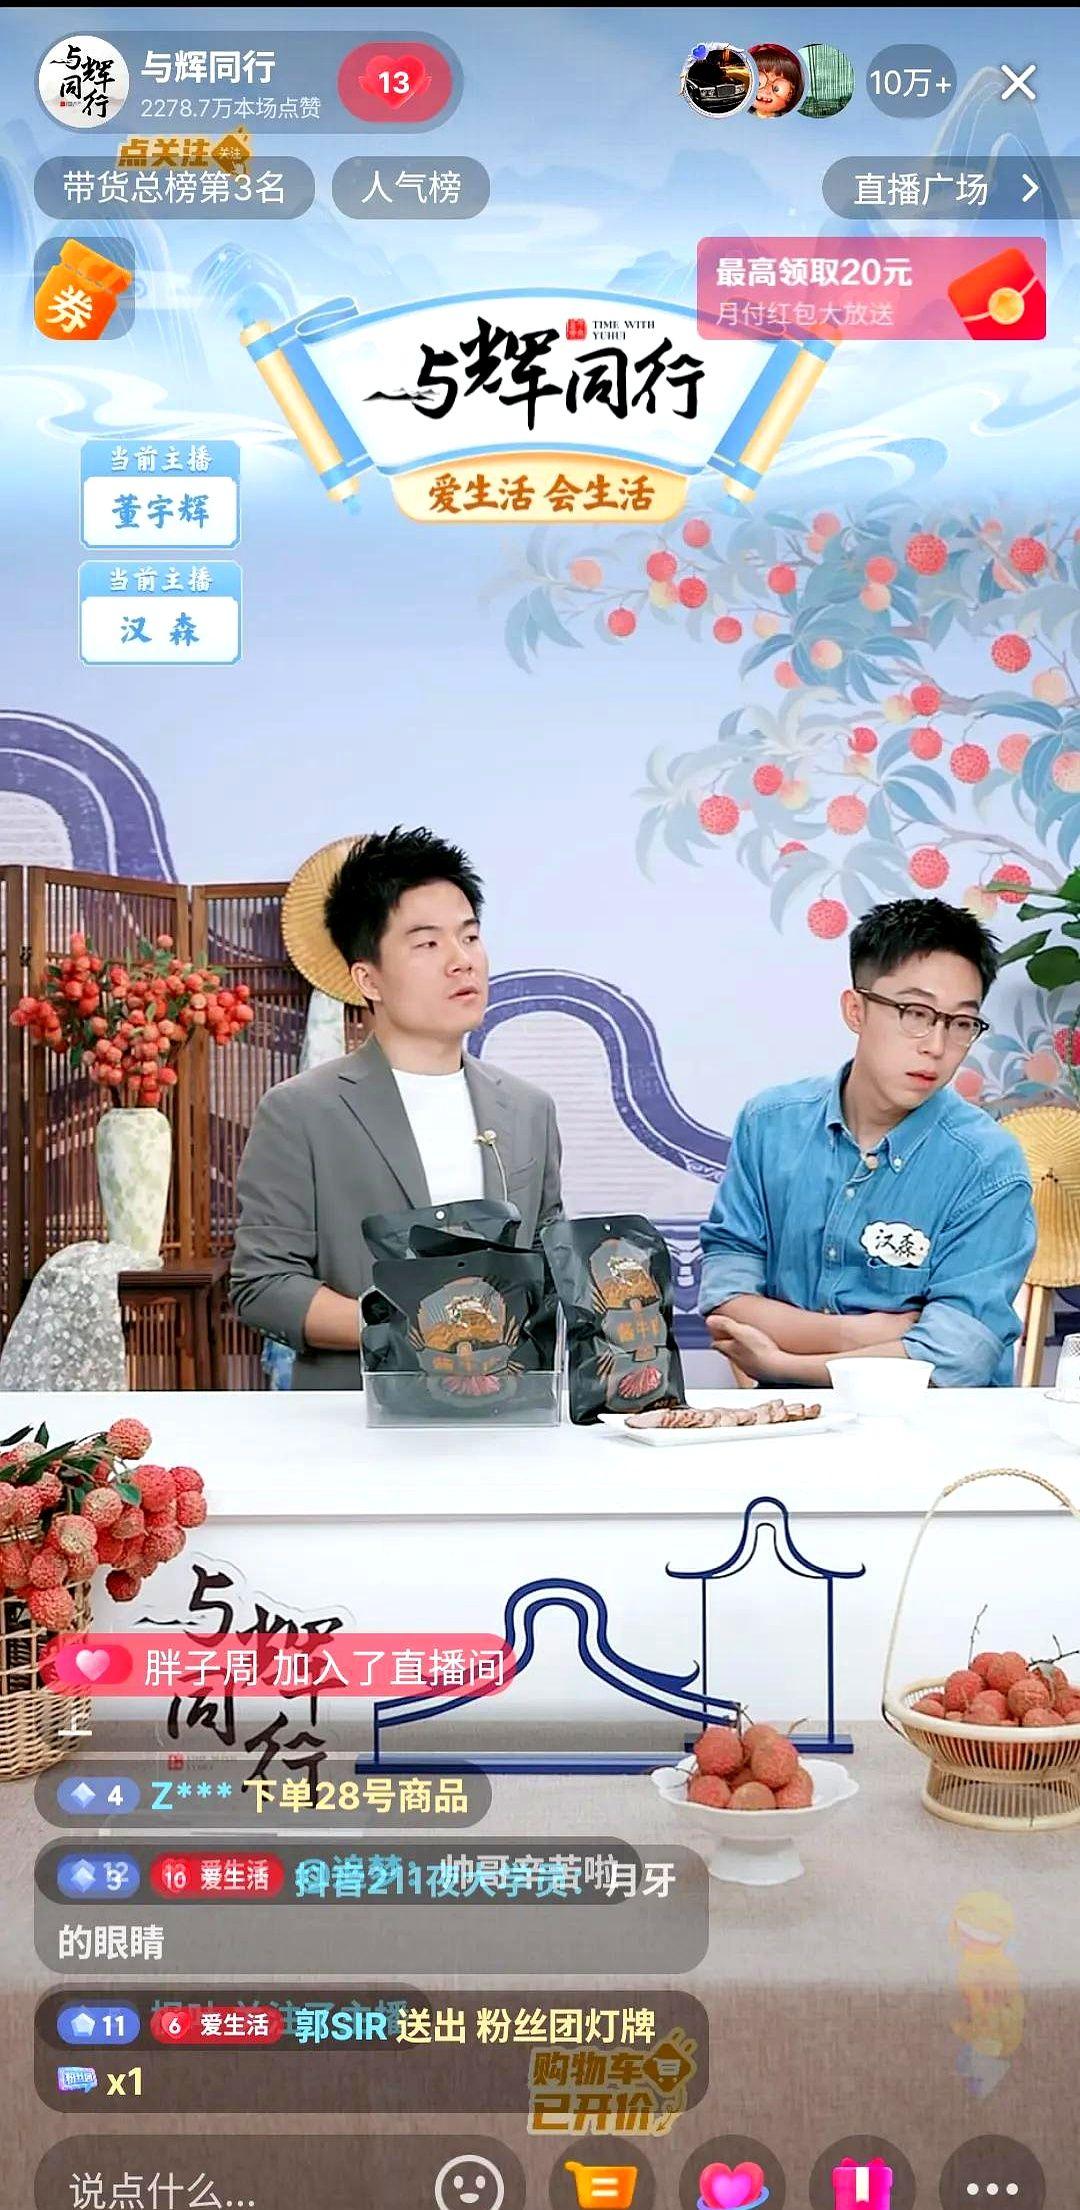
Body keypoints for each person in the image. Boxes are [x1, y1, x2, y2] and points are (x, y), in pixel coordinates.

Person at [231, 827, 563, 1389]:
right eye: (428, 944)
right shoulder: (301, 1111)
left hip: (510, 1411)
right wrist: (409, 1325)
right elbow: (263, 1286)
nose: (462, 961)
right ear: (369, 978)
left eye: (470, 937)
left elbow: (548, 1264)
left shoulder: (530, 1109)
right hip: (359, 1416)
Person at [699, 898, 1036, 1389]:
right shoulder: (769, 1124)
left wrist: (783, 1364)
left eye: (961, 1023)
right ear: (855, 1010)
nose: (936, 1046)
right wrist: (861, 1334)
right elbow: (728, 1301)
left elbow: (956, 1354)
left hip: (938, 1425)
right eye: (915, 1013)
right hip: (794, 1424)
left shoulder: (988, 1164)